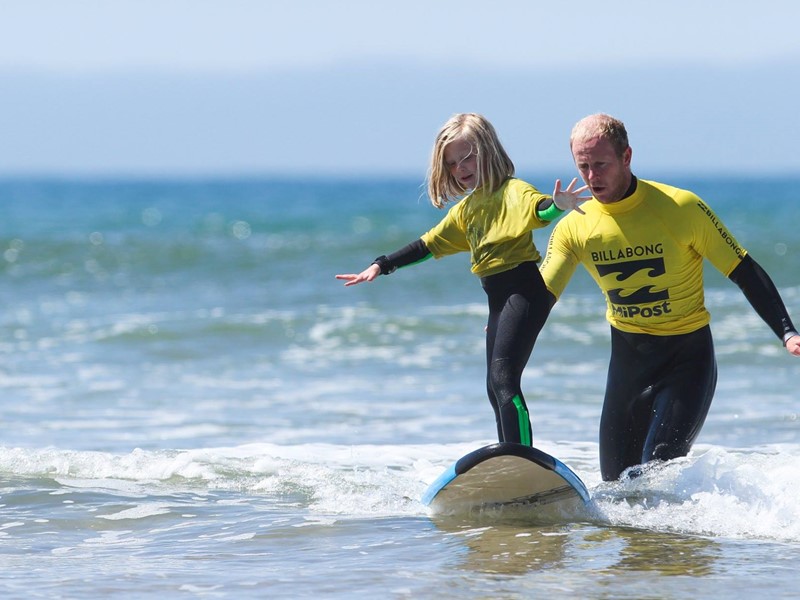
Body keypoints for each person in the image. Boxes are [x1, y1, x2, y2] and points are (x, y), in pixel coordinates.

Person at [540, 112, 800, 481]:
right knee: (617, 490)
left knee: (656, 470)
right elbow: (541, 295)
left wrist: (787, 331)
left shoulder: (681, 208)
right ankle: (662, 543)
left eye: (601, 165)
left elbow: (743, 270)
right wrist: (506, 327)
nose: (592, 177)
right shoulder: (574, 227)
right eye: (583, 167)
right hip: (628, 365)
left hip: (686, 362)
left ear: (627, 157)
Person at [336, 113, 585, 445]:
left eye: (467, 157)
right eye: (452, 163)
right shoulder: (467, 210)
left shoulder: (512, 191)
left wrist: (557, 206)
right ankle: (512, 460)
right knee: (493, 386)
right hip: (499, 301)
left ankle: (522, 461)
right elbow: (429, 244)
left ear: (488, 151)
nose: (461, 168)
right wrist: (382, 265)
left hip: (524, 292)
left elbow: (537, 210)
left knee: (503, 379)